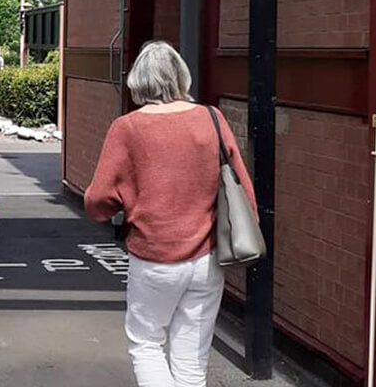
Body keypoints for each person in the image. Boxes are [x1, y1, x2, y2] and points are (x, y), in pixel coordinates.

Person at [84, 41, 257, 387]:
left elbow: (98, 201)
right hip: (207, 258)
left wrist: (121, 202)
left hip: (155, 257)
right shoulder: (212, 118)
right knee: (191, 359)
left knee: (147, 344)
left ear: (138, 81)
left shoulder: (128, 127)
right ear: (181, 77)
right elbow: (243, 188)